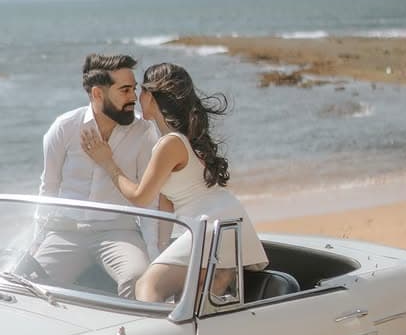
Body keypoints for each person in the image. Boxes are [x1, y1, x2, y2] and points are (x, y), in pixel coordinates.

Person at [80, 61, 267, 303]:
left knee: (147, 286)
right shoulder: (181, 137)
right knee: (188, 304)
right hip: (222, 222)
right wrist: (160, 246)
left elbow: (140, 197)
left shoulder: (170, 143)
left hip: (210, 226)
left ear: (154, 97)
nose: (137, 97)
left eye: (142, 91)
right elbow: (166, 196)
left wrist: (108, 163)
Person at [33, 53, 160, 297]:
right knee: (30, 282)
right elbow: (48, 187)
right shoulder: (65, 127)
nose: (133, 97)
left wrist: (154, 253)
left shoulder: (144, 132)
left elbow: (149, 200)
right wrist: (36, 241)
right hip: (66, 231)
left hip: (118, 231)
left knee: (137, 279)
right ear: (97, 94)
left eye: (133, 89)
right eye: (124, 90)